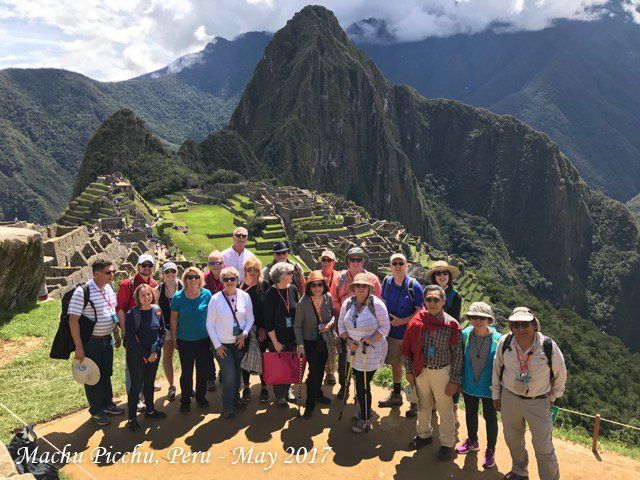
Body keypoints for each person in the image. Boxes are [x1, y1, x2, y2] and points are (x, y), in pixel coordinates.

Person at [492, 307, 567, 480]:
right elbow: (496, 369)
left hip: (538, 401)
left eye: (525, 324)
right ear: (511, 327)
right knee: (513, 440)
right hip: (510, 398)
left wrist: (552, 397)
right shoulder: (505, 343)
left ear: (534, 325)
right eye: (516, 324)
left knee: (543, 447)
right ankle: (519, 471)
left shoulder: (547, 346)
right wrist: (496, 395)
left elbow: (560, 373)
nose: (520, 329)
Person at [401, 285, 462, 461]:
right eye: (429, 299)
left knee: (445, 409)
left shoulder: (451, 325)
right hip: (421, 370)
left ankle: (447, 443)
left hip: (442, 372)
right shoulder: (417, 322)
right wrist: (410, 371)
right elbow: (407, 349)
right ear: (424, 301)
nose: (432, 302)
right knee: (423, 405)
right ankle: (424, 435)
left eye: (436, 299)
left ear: (443, 301)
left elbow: (457, 355)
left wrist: (454, 381)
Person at [68, 259, 124, 426]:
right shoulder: (82, 292)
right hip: (90, 343)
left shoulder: (108, 288)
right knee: (92, 377)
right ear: (97, 273)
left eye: (113, 272)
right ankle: (96, 410)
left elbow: (111, 312)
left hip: (106, 340)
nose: (112, 275)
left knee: (106, 374)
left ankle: (107, 404)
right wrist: (78, 347)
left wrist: (116, 333)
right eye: (108, 272)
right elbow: (73, 320)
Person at [338, 273, 390, 433]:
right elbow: (341, 326)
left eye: (364, 286)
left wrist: (371, 338)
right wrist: (347, 340)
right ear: (353, 288)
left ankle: (366, 418)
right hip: (353, 352)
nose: (360, 288)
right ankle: (364, 411)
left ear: (369, 288)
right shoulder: (348, 303)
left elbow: (385, 327)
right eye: (357, 286)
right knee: (360, 383)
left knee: (363, 385)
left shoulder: (377, 305)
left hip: (371, 353)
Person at [330, 247, 382, 399]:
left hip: (367, 331)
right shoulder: (339, 279)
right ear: (348, 261)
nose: (356, 262)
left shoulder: (372, 280)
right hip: (345, 328)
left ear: (364, 261)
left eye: (359, 259)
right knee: (344, 358)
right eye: (352, 259)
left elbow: (378, 304)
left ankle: (362, 391)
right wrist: (346, 316)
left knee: (364, 362)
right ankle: (344, 386)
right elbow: (334, 300)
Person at [455, 302, 502, 469]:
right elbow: (459, 358)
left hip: (489, 388)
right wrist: (458, 380)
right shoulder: (465, 335)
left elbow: (502, 368)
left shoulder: (498, 340)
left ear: (489, 320)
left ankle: (490, 449)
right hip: (469, 384)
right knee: (470, 413)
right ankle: (472, 441)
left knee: (490, 418)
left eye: (482, 318)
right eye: (474, 317)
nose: (478, 321)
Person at [379, 253, 423, 417]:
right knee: (396, 365)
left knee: (410, 368)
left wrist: (402, 321)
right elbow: (383, 302)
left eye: (401, 263)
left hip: (409, 335)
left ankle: (414, 402)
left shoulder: (414, 286)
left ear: (406, 265)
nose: (398, 267)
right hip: (392, 333)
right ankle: (396, 395)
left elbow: (420, 312)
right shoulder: (387, 282)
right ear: (390, 266)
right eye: (394, 263)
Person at [206, 267, 254, 418]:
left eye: (232, 278)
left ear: (237, 280)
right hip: (222, 346)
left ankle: (235, 399)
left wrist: (244, 334)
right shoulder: (215, 299)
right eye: (225, 279)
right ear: (222, 282)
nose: (229, 282)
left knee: (237, 373)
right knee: (229, 375)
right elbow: (209, 323)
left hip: (239, 342)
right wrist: (217, 345)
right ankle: (228, 405)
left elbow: (250, 318)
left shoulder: (245, 296)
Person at [116, 253, 158, 411]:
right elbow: (120, 308)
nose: (147, 268)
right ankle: (134, 396)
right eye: (144, 265)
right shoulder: (128, 284)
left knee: (148, 360)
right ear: (138, 266)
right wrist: (124, 331)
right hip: (133, 332)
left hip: (148, 332)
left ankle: (145, 389)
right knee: (132, 365)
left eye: (149, 265)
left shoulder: (153, 284)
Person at [170, 267, 213, 413]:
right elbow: (174, 318)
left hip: (203, 339)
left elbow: (212, 317)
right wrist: (174, 336)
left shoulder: (207, 295)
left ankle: (201, 397)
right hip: (185, 340)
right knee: (186, 372)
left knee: (202, 371)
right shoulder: (178, 297)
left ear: (200, 279)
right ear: (185, 279)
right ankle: (185, 399)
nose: (193, 280)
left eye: (196, 277)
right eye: (190, 277)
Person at [124, 284, 167, 431]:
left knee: (149, 383)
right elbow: (130, 339)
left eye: (148, 294)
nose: (146, 298)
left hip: (153, 355)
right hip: (137, 356)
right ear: (137, 297)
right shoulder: (132, 315)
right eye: (143, 295)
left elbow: (162, 332)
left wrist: (156, 351)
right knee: (136, 386)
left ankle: (150, 410)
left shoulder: (157, 311)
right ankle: (131, 418)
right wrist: (146, 354)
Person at [295, 270, 335, 419]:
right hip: (309, 341)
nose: (317, 288)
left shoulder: (327, 297)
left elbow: (333, 316)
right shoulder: (303, 303)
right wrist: (300, 345)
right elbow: (297, 326)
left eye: (320, 284)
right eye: (314, 285)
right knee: (315, 372)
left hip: (324, 339)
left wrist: (329, 325)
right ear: (309, 287)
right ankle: (310, 404)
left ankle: (317, 393)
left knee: (318, 369)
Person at [426, 260, 463, 422]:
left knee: (451, 373)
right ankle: (433, 404)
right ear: (434, 277)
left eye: (445, 273)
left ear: (449, 276)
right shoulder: (428, 294)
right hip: (430, 338)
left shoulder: (455, 297)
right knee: (431, 371)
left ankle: (453, 408)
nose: (442, 276)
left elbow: (452, 321)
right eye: (438, 273)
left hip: (448, 339)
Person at [263, 261, 300, 407]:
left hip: (292, 337)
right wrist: (275, 342)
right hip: (277, 338)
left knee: (290, 364)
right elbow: (268, 321)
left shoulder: (293, 289)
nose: (292, 275)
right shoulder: (271, 293)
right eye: (289, 273)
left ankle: (288, 390)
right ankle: (280, 395)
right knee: (279, 366)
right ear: (280, 276)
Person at [239, 256, 270, 403]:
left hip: (261, 329)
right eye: (249, 270)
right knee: (245, 357)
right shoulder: (239, 287)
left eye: (255, 269)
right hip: (245, 329)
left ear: (259, 271)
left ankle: (264, 386)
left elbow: (267, 309)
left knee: (262, 357)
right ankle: (246, 387)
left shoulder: (264, 285)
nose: (252, 272)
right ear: (245, 271)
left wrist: (264, 328)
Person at [156, 262, 182, 402]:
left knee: (187, 357)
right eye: (167, 272)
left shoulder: (185, 286)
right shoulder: (158, 290)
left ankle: (187, 385)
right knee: (168, 356)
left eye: (173, 271)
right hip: (166, 328)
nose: (171, 274)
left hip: (183, 328)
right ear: (163, 275)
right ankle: (171, 385)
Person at [318, 250, 340, 386]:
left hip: (336, 315)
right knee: (319, 346)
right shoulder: (316, 275)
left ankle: (330, 372)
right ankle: (318, 372)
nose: (326, 262)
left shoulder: (340, 276)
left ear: (334, 262)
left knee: (332, 345)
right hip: (319, 316)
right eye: (324, 260)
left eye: (329, 260)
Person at [203, 250, 224, 391]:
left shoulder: (228, 277)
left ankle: (225, 371)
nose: (215, 265)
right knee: (208, 352)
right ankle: (210, 377)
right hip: (208, 321)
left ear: (222, 263)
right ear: (208, 264)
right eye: (212, 263)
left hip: (224, 322)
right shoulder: (203, 279)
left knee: (224, 349)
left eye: (218, 262)